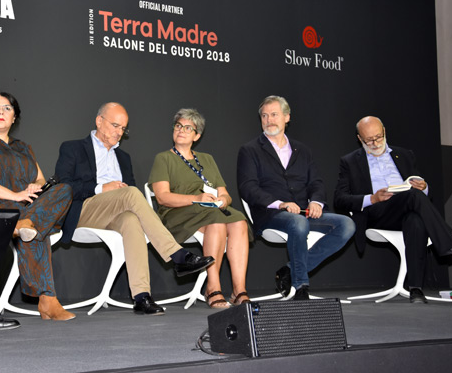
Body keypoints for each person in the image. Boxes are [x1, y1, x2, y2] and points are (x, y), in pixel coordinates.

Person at [54, 102, 215, 315]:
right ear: (99, 121)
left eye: (123, 128)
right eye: (115, 126)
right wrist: (100, 188)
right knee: (131, 193)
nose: (119, 132)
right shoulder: (73, 148)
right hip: (84, 209)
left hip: (114, 213)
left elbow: (130, 198)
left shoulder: (123, 158)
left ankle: (141, 297)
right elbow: (63, 187)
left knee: (131, 220)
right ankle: (177, 255)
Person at [334, 116, 452, 303]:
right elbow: (340, 199)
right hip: (377, 213)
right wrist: (372, 198)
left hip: (406, 207)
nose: (375, 143)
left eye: (378, 137)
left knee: (415, 220)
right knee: (413, 196)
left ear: (384, 132)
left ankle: (415, 289)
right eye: (369, 140)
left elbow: (419, 186)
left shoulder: (404, 155)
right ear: (359, 138)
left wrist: (424, 187)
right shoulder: (350, 161)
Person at [0, 90, 75, 321]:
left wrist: (34, 187)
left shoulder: (23, 147)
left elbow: (40, 179)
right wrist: (14, 194)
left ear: (14, 118)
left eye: (7, 108)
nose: (1, 111)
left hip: (26, 208)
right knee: (36, 231)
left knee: (64, 189)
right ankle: (47, 300)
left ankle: (23, 225)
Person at [237, 95, 355, 300]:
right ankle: (300, 286)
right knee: (298, 223)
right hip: (270, 214)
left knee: (346, 225)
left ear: (287, 117)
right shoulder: (250, 150)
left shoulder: (303, 150)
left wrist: (316, 202)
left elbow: (316, 182)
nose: (269, 120)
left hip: (303, 212)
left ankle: (290, 270)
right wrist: (280, 204)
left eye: (274, 114)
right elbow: (247, 187)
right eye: (264, 116)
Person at [149, 108, 253, 308]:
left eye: (188, 128)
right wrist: (196, 199)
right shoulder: (164, 158)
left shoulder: (207, 159)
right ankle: (213, 287)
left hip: (210, 210)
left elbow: (225, 194)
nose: (181, 130)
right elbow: (162, 197)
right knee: (217, 222)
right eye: (178, 126)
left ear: (197, 136)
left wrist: (222, 200)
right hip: (178, 213)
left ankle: (239, 290)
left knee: (239, 221)